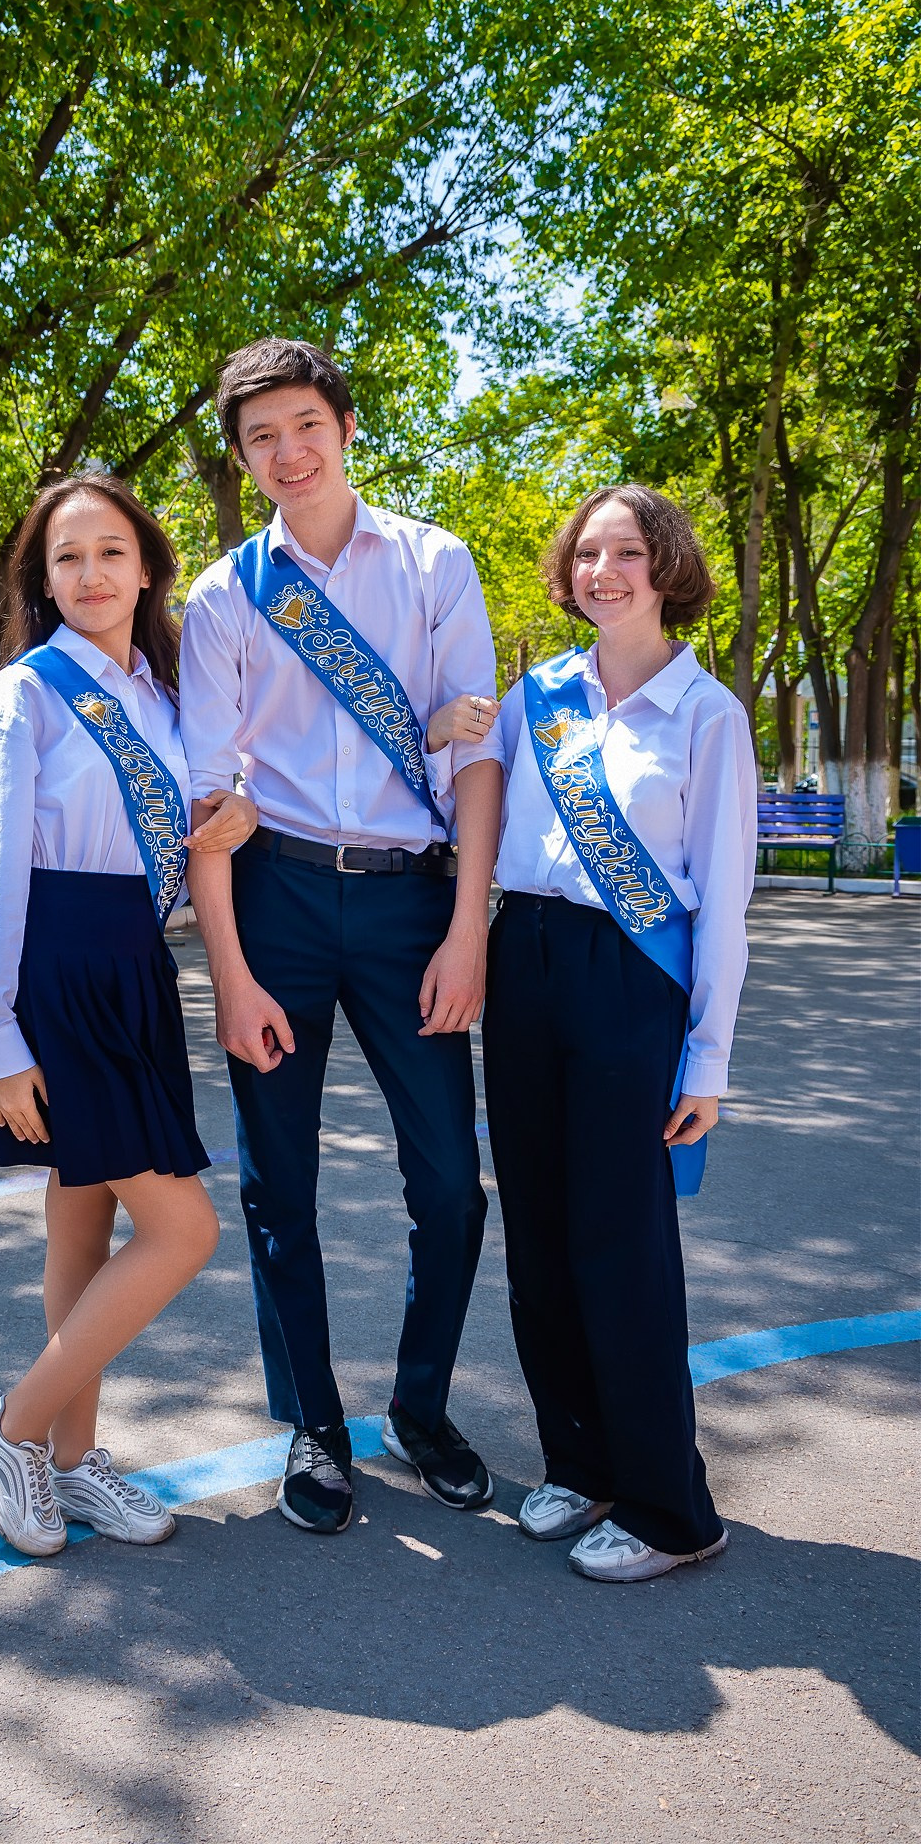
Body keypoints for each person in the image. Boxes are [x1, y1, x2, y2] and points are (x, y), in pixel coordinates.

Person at [178, 337, 503, 1536]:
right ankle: (312, 1424)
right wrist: (228, 971)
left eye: (304, 424)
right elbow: (212, 800)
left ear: (346, 426)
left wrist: (467, 926)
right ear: (241, 455)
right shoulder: (223, 598)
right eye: (259, 436)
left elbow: (473, 755)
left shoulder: (431, 563)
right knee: (280, 1187)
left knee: (450, 1185)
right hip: (277, 902)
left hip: (414, 903)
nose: (285, 452)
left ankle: (419, 1410)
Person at [431, 483, 756, 1583]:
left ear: (665, 567)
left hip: (630, 980)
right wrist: (443, 735)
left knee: (620, 1244)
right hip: (525, 958)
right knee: (539, 1231)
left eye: (625, 551)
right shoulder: (538, 697)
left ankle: (671, 1507)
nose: (601, 569)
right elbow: (464, 808)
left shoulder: (705, 714)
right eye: (585, 553)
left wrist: (704, 1059)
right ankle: (576, 1462)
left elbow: (719, 898)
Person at [0, 473, 256, 1556]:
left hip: (133, 965)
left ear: (146, 567)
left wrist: (236, 813)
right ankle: (13, 1427)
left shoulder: (164, 699)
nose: (89, 575)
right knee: (184, 1230)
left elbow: (199, 816)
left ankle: (71, 1464)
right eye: (65, 558)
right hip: (55, 969)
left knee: (86, 1222)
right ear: (42, 578)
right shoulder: (18, 699)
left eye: (110, 552)